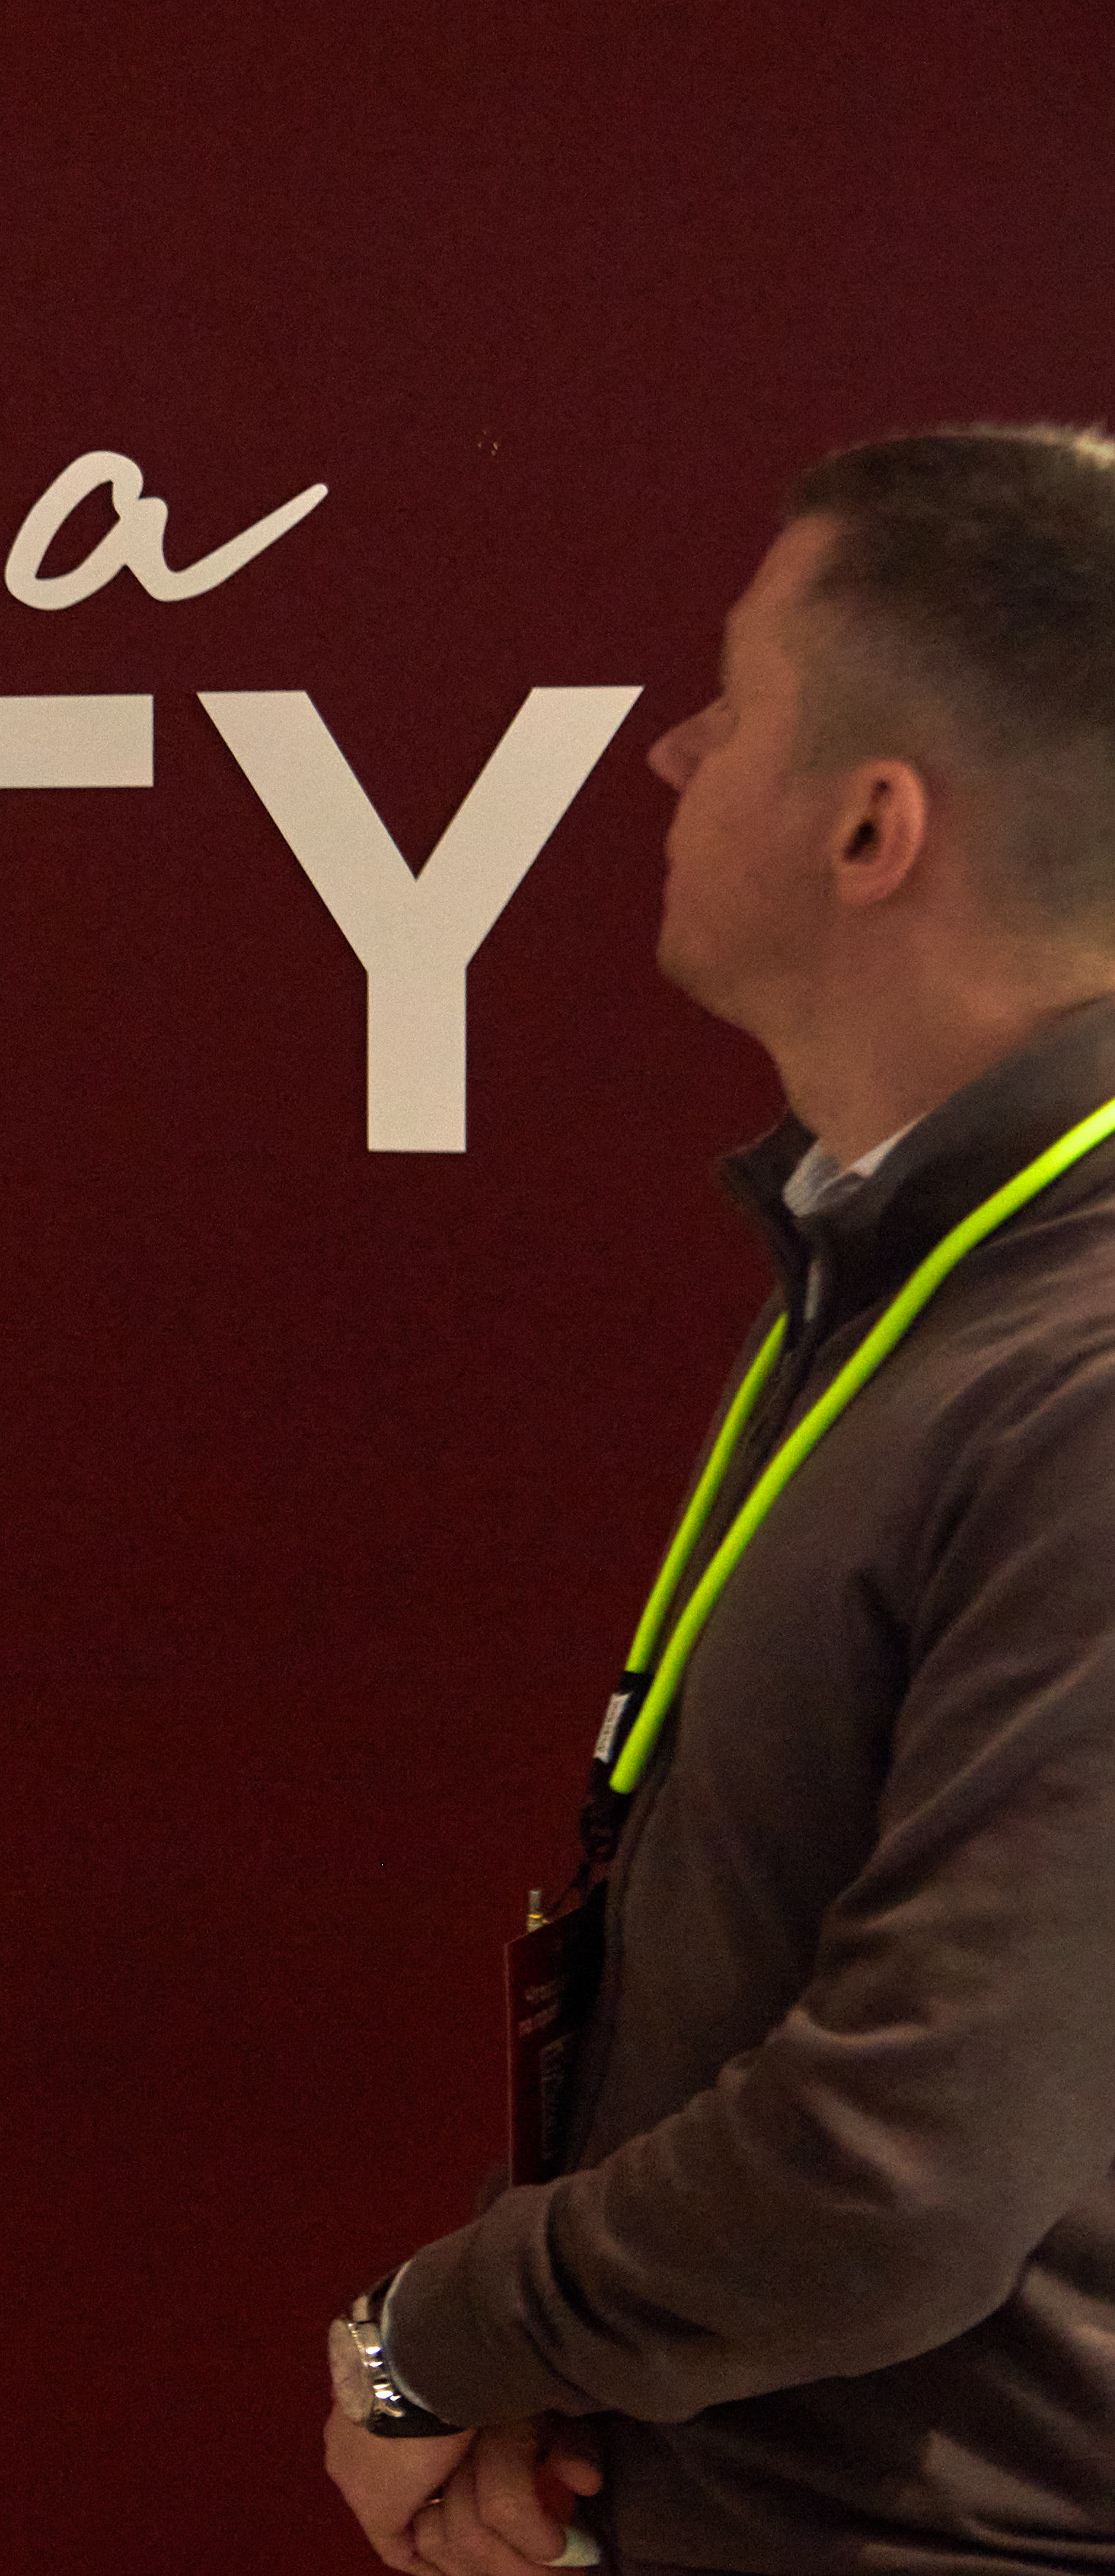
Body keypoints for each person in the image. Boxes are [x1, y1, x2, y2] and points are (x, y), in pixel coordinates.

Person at [320, 428, 1115, 2576]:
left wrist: (435, 2343)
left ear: (873, 826)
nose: (669, 753)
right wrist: (545, 2373)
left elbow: (898, 2162)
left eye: (735, 702)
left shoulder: (1081, 1371)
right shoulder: (899, 1266)